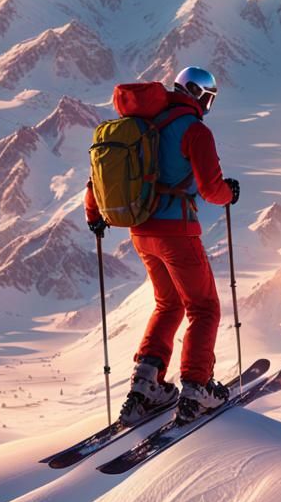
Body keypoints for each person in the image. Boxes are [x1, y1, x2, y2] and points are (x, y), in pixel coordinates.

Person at [85, 66, 240, 423]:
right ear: (201, 96)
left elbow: (98, 177)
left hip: (140, 232)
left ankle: (145, 385)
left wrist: (94, 213)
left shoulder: (141, 124)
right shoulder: (195, 130)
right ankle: (196, 388)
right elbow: (210, 188)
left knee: (167, 305)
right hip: (177, 232)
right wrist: (229, 192)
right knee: (203, 308)